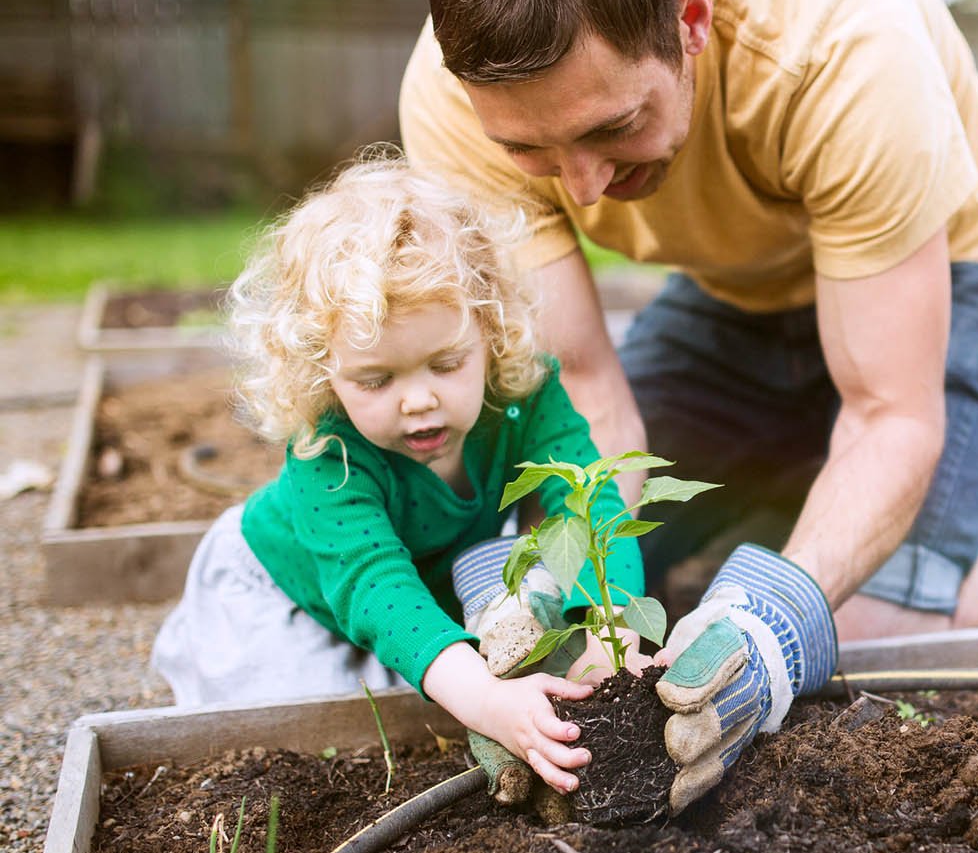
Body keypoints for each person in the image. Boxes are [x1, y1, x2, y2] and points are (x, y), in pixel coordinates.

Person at [399, 0, 978, 812]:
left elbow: (887, 414)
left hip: (939, 274)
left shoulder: (841, 41)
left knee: (875, 639)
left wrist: (777, 622)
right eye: (534, 150)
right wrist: (559, 617)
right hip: (732, 294)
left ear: (691, 18)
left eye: (614, 127)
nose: (583, 186)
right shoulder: (456, 105)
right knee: (570, 611)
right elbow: (587, 392)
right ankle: (789, 484)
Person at [151, 151, 649, 796]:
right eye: (376, 380)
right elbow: (375, 587)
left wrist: (612, 635)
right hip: (281, 593)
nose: (417, 400)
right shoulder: (328, 455)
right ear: (321, 370)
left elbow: (589, 503)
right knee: (311, 739)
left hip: (419, 575)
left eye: (445, 364)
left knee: (445, 684)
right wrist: (487, 704)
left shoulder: (524, 395)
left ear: (490, 331)